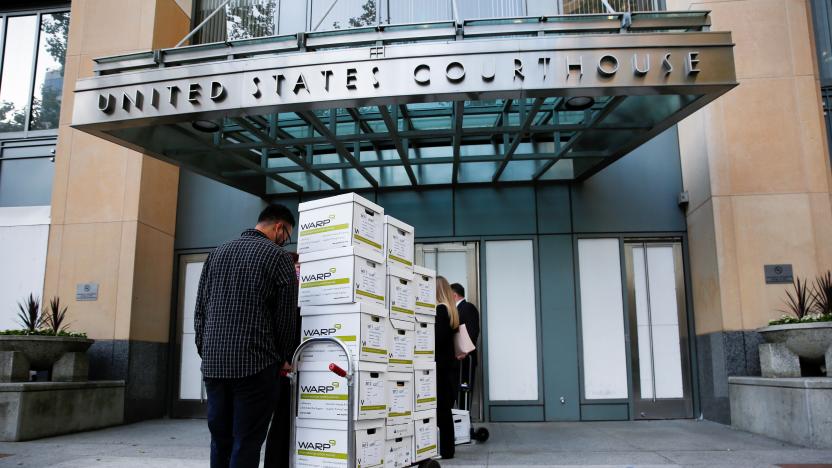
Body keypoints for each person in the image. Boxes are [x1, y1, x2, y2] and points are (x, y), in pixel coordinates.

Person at [194, 205, 298, 468]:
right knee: (247, 440)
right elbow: (284, 317)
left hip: (215, 365)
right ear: (279, 227)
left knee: (220, 439)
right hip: (256, 365)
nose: (285, 241)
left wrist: (206, 351)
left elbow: (200, 310)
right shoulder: (278, 258)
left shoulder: (216, 254)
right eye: (287, 235)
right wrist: (286, 356)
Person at [264, 252, 301, 468]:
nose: (298, 271)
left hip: (297, 365)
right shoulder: (283, 294)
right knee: (282, 420)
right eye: (297, 266)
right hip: (285, 367)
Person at [434, 275, 460, 459]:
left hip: (441, 368)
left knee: (441, 409)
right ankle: (447, 449)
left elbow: (437, 339)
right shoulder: (450, 311)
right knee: (444, 409)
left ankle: (446, 449)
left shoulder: (441, 310)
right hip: (448, 368)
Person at [450, 283, 480, 401]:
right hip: (455, 359)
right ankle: (456, 417)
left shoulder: (468, 307)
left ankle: (463, 418)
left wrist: (465, 351)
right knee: (454, 390)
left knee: (463, 391)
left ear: (454, 295)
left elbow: (473, 331)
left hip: (464, 358)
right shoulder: (454, 309)